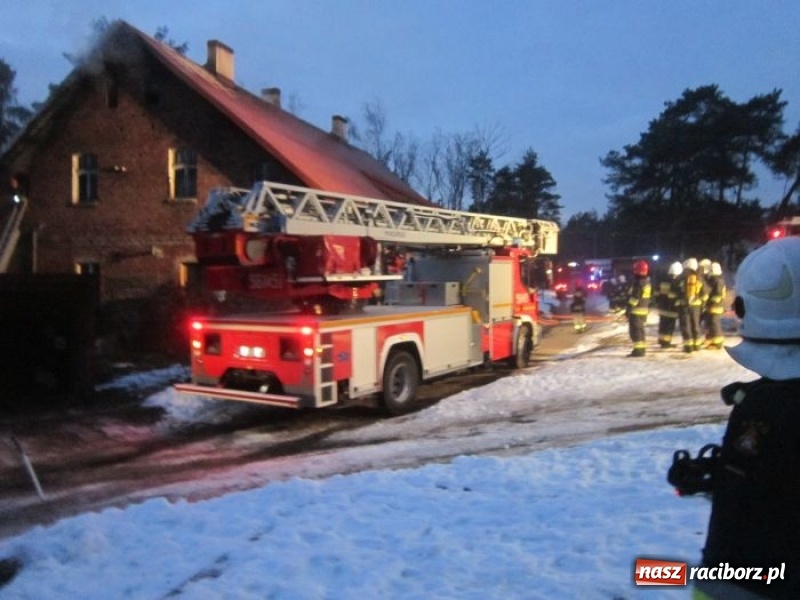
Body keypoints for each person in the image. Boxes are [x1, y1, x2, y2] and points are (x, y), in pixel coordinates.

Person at [669, 237, 800, 599]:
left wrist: (730, 475)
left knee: (655, 572)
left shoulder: (764, 408)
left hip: (751, 578)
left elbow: (747, 516)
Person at [679, 257, 706, 353]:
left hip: (687, 305)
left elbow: (686, 293)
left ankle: (688, 347)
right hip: (697, 306)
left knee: (686, 325)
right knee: (695, 325)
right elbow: (704, 293)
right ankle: (697, 345)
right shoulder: (700, 278)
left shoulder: (689, 278)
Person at [626, 260, 651, 357]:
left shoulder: (638, 282)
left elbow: (635, 297)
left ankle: (638, 351)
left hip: (636, 311)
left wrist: (629, 308)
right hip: (643, 310)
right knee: (640, 330)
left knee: (635, 331)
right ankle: (641, 349)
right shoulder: (647, 282)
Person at [656, 261, 683, 348]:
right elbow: (679, 295)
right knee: (669, 326)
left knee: (662, 324)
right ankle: (666, 343)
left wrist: (658, 302)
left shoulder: (663, 280)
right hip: (671, 308)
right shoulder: (677, 282)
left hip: (662, 306)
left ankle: (662, 341)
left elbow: (657, 293)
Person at [703, 261, 727, 349]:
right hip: (713, 306)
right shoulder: (716, 279)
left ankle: (718, 343)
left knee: (714, 324)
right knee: (710, 324)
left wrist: (711, 304)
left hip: (716, 307)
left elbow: (717, 295)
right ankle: (711, 341)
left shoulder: (718, 281)